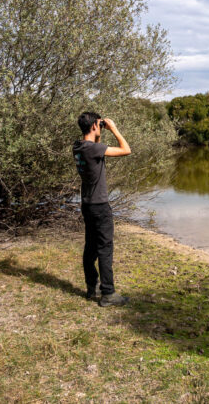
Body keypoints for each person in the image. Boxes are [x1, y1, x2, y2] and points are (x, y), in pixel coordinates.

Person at [73, 112, 131, 307]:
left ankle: (92, 287)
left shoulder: (78, 147)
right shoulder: (94, 149)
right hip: (100, 206)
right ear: (94, 126)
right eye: (99, 124)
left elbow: (95, 143)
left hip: (87, 204)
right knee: (105, 248)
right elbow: (126, 150)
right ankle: (108, 293)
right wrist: (113, 128)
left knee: (91, 246)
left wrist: (98, 131)